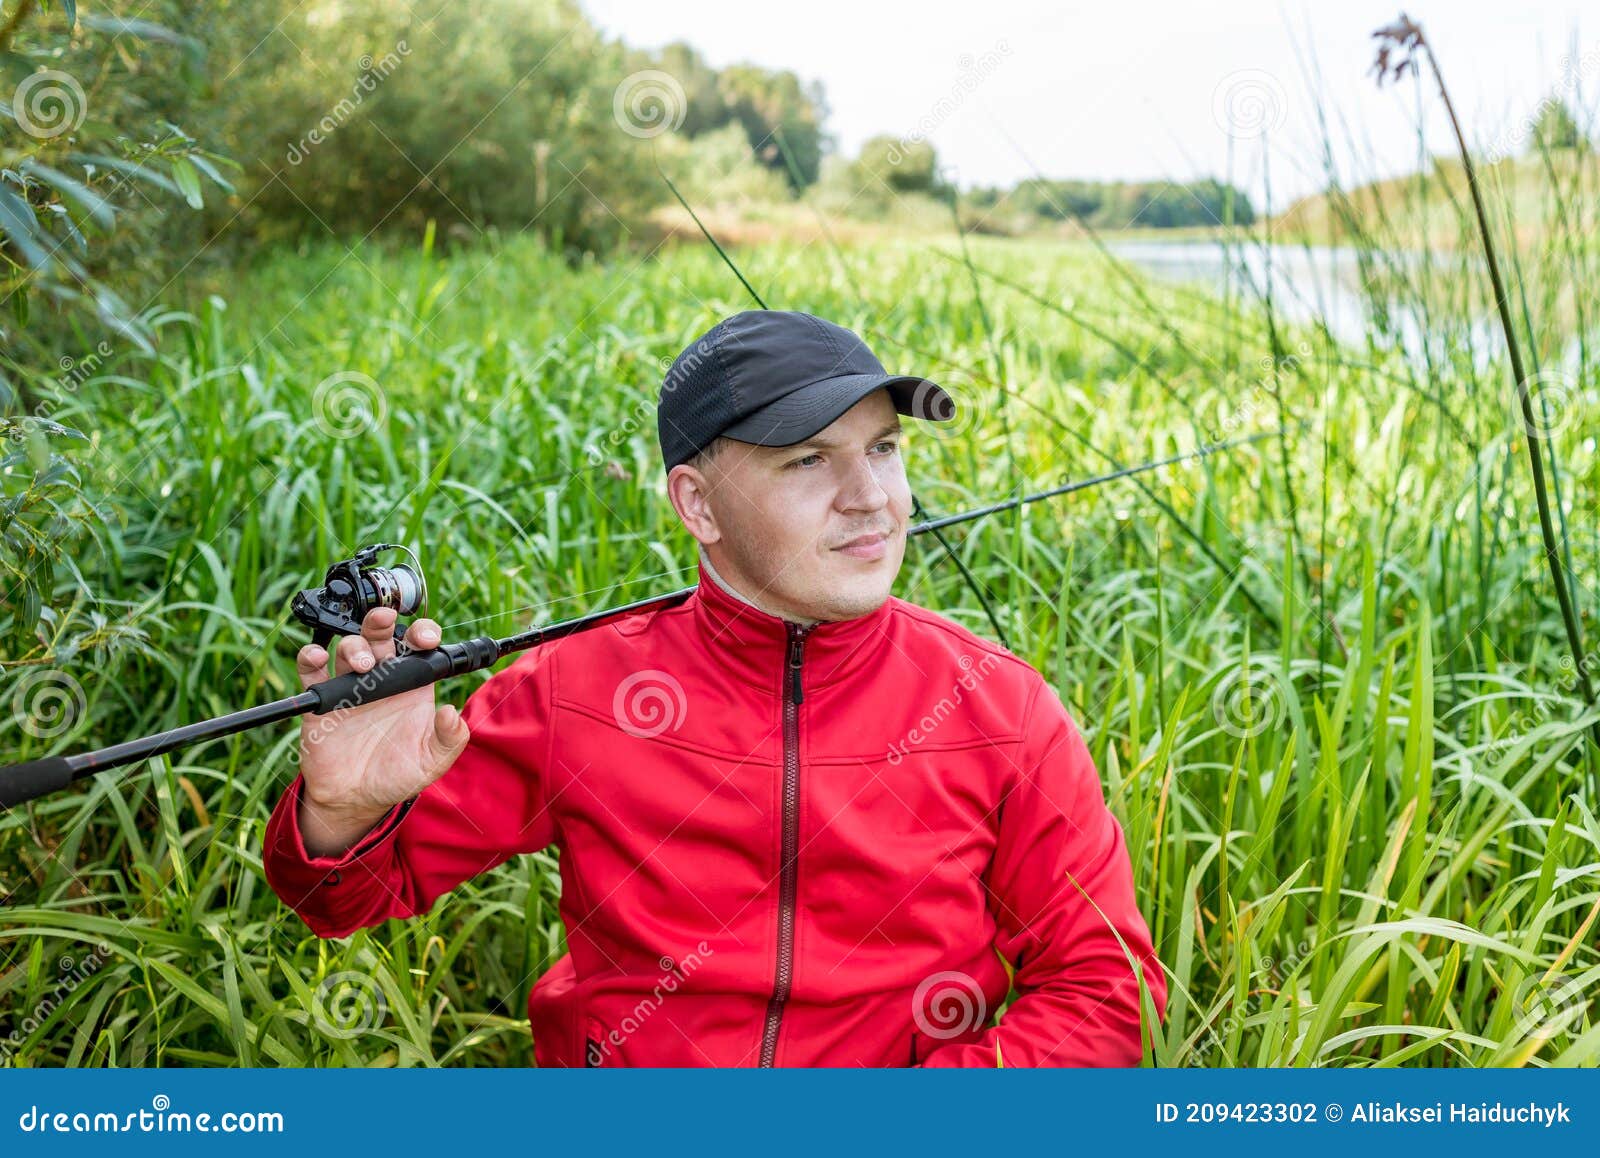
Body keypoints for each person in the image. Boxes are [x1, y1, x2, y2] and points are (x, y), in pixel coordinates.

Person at [263, 309, 1168, 1066]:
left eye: (884, 450)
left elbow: (1108, 993)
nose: (872, 498)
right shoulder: (573, 691)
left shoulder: (1000, 708)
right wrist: (339, 814)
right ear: (697, 503)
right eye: (808, 460)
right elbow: (339, 900)